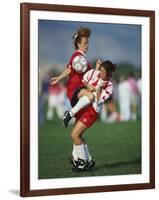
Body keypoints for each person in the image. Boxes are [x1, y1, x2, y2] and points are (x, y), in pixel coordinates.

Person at [68, 61, 116, 171]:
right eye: (100, 70)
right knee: (77, 135)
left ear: (108, 75)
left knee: (74, 135)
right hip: (85, 108)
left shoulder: (109, 86)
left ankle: (83, 162)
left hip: (92, 112)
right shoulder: (96, 73)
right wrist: (95, 74)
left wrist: (99, 85)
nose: (100, 73)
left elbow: (98, 99)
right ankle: (87, 161)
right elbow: (85, 83)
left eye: (103, 72)